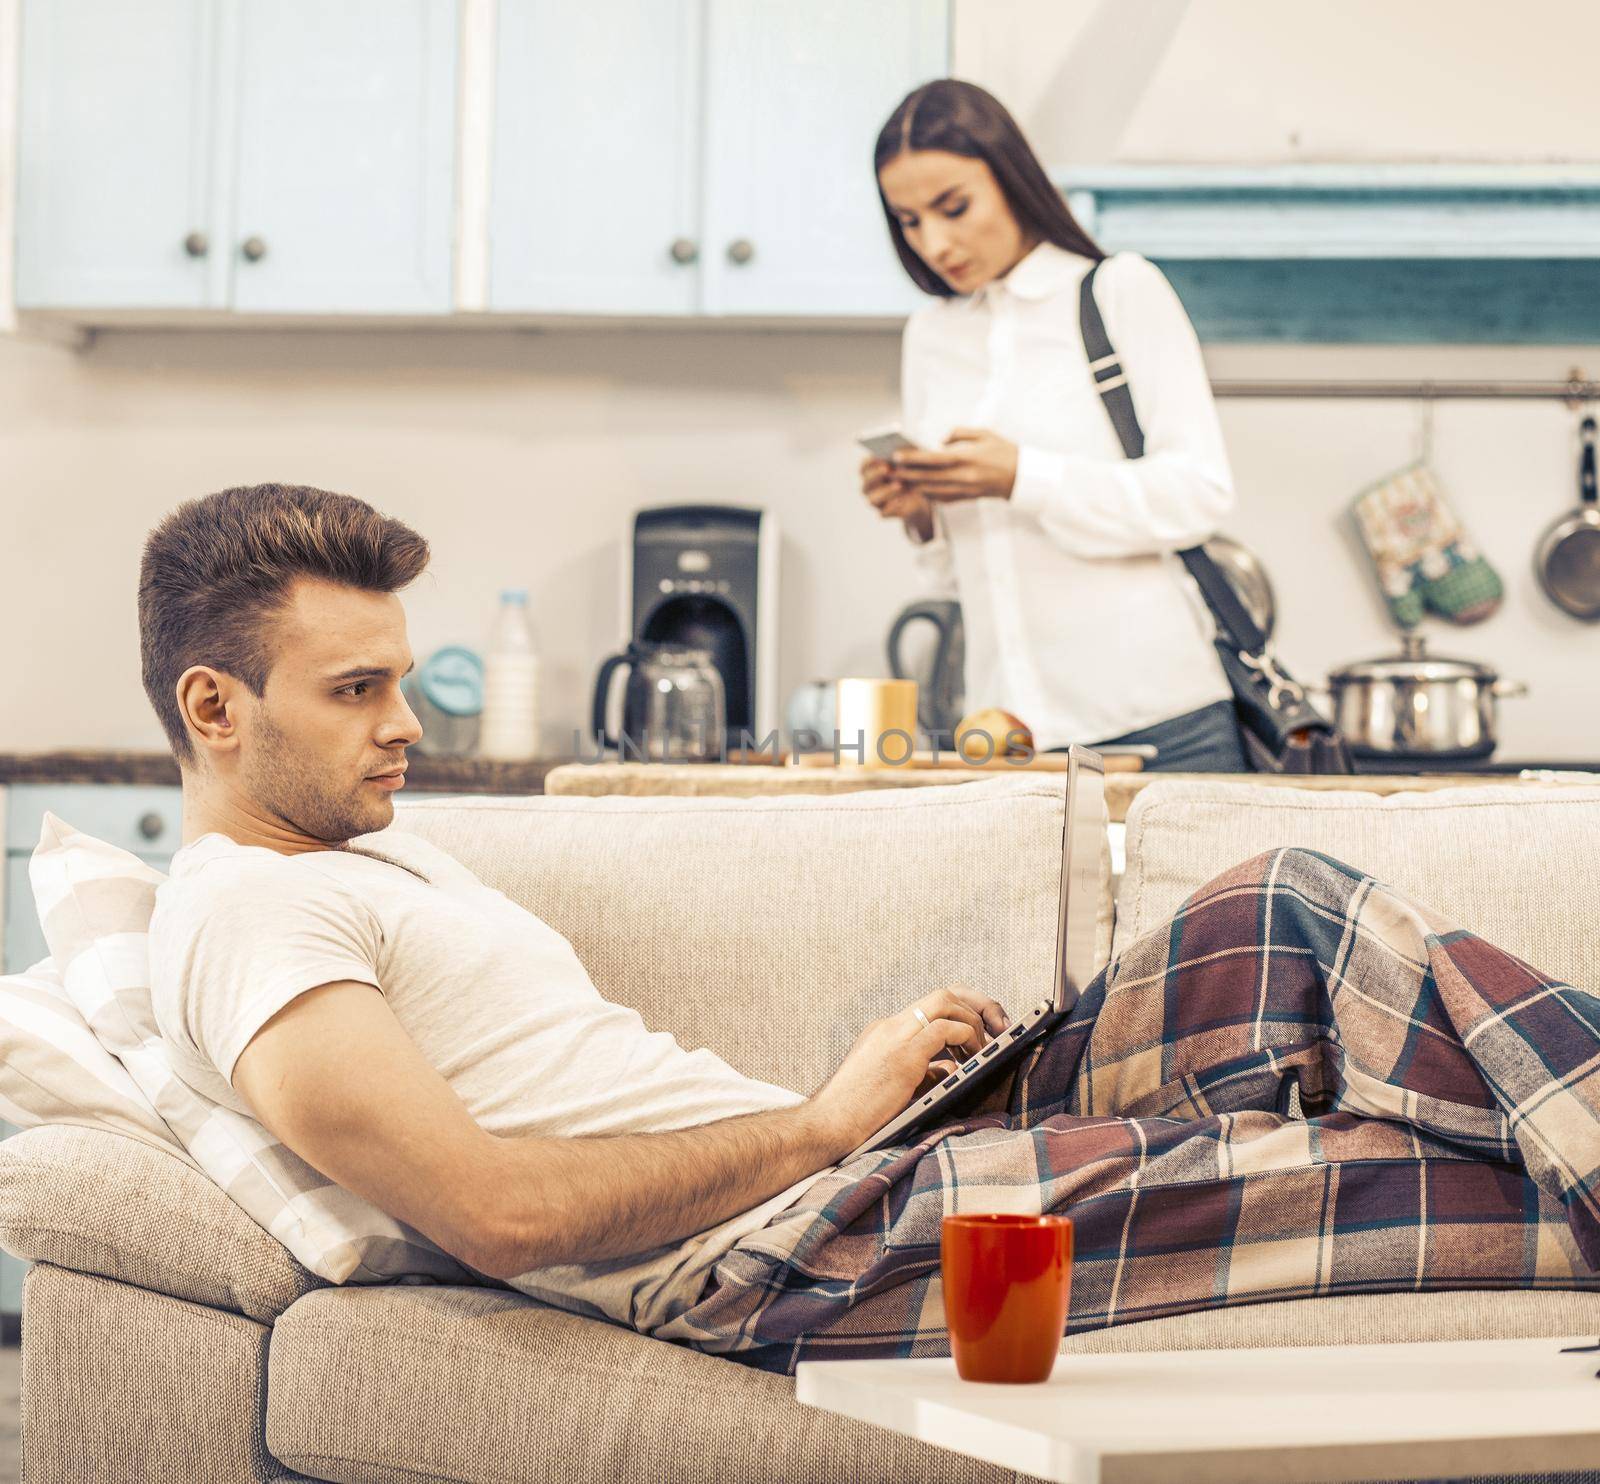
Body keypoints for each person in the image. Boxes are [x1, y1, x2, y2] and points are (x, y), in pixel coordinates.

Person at [144, 485, 1600, 1378]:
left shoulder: (367, 864)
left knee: (1284, 904)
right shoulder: (246, 925)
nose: (407, 723)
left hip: (867, 1165)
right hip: (790, 1243)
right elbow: (500, 1215)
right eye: (354, 692)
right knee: (1382, 1169)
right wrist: (822, 1124)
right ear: (216, 708)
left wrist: (881, 1113)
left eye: (398, 679)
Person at [861, 79, 1248, 773]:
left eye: (954, 207)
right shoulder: (929, 336)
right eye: (910, 221)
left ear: (1012, 179)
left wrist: (1021, 475)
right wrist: (923, 514)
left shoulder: (1118, 290)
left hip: (1163, 725)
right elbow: (961, 574)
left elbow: (1199, 493)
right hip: (1010, 739)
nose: (936, 243)